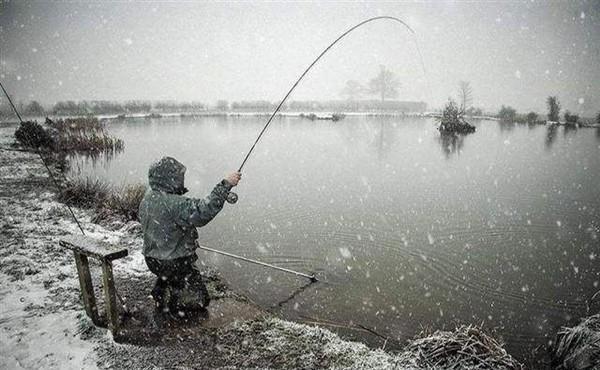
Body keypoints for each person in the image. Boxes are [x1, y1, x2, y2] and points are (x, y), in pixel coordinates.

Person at [138, 156, 241, 316]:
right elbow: (202, 211)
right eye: (179, 177)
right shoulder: (175, 203)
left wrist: (183, 239)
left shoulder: (148, 198)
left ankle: (161, 290)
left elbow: (162, 225)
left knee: (168, 272)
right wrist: (225, 185)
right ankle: (174, 305)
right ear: (169, 179)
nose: (182, 181)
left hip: (152, 260)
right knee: (200, 301)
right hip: (174, 263)